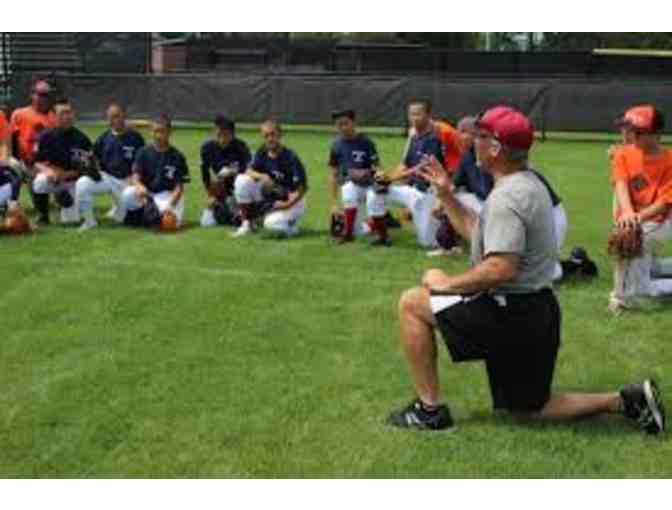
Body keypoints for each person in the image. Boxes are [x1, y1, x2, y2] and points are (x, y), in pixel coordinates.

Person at [387, 106, 665, 435]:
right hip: (538, 311)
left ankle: (429, 411)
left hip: (511, 312)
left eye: (480, 136)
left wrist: (447, 284)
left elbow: (501, 268)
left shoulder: (508, 196)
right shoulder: (526, 182)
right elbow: (482, 232)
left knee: (411, 303)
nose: (472, 141)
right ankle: (626, 401)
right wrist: (448, 195)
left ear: (494, 148)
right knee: (531, 408)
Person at [609, 105, 672, 314]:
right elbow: (620, 184)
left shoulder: (670, 160)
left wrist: (636, 218)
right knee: (636, 253)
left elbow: (664, 203)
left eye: (636, 131)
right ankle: (621, 294)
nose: (629, 134)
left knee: (639, 292)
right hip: (633, 218)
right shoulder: (623, 154)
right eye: (627, 129)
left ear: (655, 134)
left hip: (660, 220)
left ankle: (622, 296)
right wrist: (627, 214)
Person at [371, 99, 446, 248]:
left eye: (418, 114)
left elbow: (421, 168)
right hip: (411, 189)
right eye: (411, 114)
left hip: (427, 194)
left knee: (428, 243)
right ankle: (383, 236)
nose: (414, 117)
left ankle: (448, 224)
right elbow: (404, 165)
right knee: (374, 193)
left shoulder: (433, 139)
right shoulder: (414, 137)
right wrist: (385, 176)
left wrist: (391, 178)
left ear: (428, 115)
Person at [232, 120, 308, 238]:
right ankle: (246, 224)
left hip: (293, 201)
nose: (270, 139)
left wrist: (287, 204)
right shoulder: (262, 151)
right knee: (241, 180)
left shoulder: (290, 156)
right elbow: (248, 170)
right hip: (273, 198)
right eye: (266, 135)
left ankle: (292, 227)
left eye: (273, 134)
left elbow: (302, 188)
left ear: (280, 135)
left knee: (271, 225)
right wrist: (263, 176)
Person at [76, 102, 145, 230]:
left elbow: (142, 162)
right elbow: (93, 155)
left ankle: (119, 208)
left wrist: (135, 177)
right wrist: (89, 162)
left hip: (127, 182)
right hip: (108, 178)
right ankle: (89, 221)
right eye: (109, 117)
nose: (112, 120)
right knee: (82, 183)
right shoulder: (104, 137)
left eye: (116, 116)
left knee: (125, 220)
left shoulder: (136, 137)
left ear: (124, 116)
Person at [327, 109, 387, 245]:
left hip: (370, 184)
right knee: (347, 189)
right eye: (338, 125)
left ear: (354, 123)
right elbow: (333, 174)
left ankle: (383, 235)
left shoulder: (366, 142)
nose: (342, 128)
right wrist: (334, 203)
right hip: (354, 186)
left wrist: (376, 176)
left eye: (345, 123)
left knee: (373, 201)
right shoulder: (336, 145)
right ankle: (349, 234)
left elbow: (377, 167)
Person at [121, 115, 189, 228]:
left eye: (162, 132)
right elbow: (135, 176)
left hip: (167, 195)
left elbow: (179, 187)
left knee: (168, 224)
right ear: (150, 132)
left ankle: (144, 216)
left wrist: (170, 206)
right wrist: (139, 186)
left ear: (169, 132)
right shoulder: (143, 152)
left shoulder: (177, 156)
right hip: (148, 194)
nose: (158, 135)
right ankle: (144, 213)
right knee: (127, 194)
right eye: (155, 131)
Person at [32, 98, 92, 225]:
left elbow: (87, 170)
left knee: (71, 220)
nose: (67, 116)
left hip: (73, 182)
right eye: (63, 113)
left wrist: (65, 174)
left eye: (69, 112)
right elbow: (36, 162)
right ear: (53, 116)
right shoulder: (45, 136)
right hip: (53, 179)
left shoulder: (82, 139)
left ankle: (63, 202)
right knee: (39, 181)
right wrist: (47, 170)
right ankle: (43, 215)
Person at [199, 115, 251, 227]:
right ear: (214, 132)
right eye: (218, 135)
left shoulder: (241, 147)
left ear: (232, 134)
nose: (221, 139)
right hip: (221, 190)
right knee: (206, 223)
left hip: (239, 191)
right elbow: (205, 173)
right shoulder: (207, 148)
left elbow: (250, 171)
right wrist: (210, 195)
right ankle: (225, 209)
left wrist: (234, 171)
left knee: (238, 220)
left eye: (225, 135)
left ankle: (242, 210)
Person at [9, 78, 57, 179]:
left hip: (47, 163)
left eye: (47, 95)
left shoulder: (55, 117)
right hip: (25, 163)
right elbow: (10, 141)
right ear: (32, 95)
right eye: (41, 94)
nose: (44, 98)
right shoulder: (19, 114)